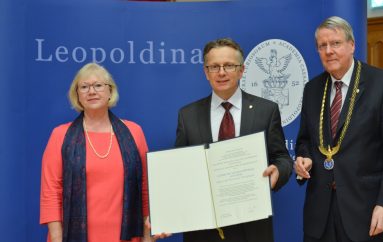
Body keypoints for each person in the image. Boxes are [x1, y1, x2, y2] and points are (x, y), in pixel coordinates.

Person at [294, 16, 383, 242]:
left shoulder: (382, 84)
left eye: (335, 43)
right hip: (321, 216)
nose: (329, 51)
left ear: (352, 45)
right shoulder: (312, 89)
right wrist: (303, 159)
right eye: (322, 46)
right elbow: (304, 141)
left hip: (367, 213)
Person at [175, 37, 293, 242]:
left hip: (253, 226)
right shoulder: (187, 115)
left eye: (229, 65)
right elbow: (180, 167)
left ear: (241, 70)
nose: (221, 72)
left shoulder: (266, 111)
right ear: (205, 72)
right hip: (203, 229)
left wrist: (278, 171)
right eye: (214, 66)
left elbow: (282, 157)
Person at [40, 63, 155, 242]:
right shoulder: (60, 135)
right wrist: (56, 237)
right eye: (84, 87)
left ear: (110, 91)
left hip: (127, 237)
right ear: (77, 95)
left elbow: (146, 188)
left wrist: (148, 237)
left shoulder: (134, 132)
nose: (91, 91)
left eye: (98, 85)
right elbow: (51, 193)